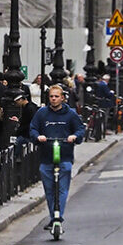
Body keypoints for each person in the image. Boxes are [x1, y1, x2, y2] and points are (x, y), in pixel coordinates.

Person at [29, 85, 85, 230]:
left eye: (56, 96)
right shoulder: (42, 113)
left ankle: (57, 216)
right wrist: (38, 136)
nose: (53, 99)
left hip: (65, 156)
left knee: (62, 189)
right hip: (46, 157)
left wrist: (74, 136)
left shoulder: (70, 114)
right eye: (51, 96)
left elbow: (80, 129)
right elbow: (33, 128)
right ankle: (53, 215)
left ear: (62, 98)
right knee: (49, 190)